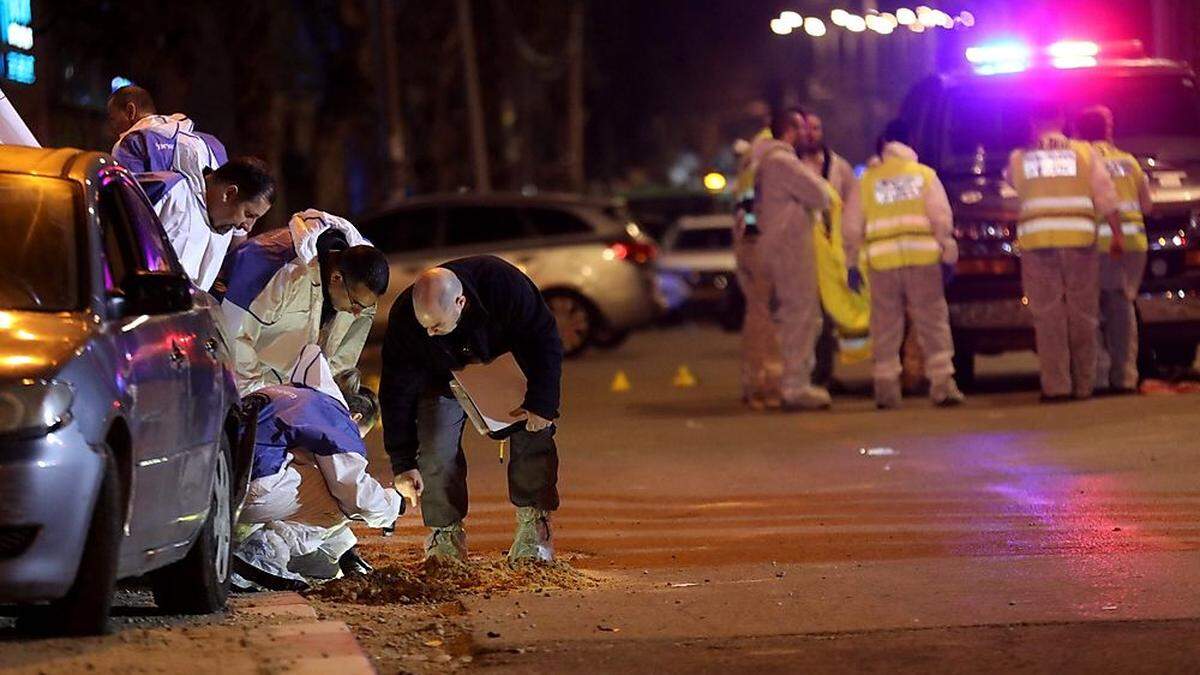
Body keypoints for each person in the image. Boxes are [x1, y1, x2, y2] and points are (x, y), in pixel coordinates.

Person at [381, 256, 562, 562]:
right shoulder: (406, 319)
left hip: (507, 363)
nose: (429, 333)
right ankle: (445, 533)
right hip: (441, 376)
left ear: (460, 302)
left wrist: (542, 403)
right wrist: (402, 462)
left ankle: (534, 525)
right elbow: (396, 391)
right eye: (424, 326)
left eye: (437, 325)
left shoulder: (504, 285)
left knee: (533, 430)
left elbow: (544, 340)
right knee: (435, 446)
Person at [235, 347, 402, 587]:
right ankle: (262, 555)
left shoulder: (295, 394)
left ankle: (290, 555)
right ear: (355, 417)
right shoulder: (337, 420)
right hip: (250, 487)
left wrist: (344, 548)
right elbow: (355, 495)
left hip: (222, 481)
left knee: (316, 476)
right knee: (340, 502)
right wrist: (392, 505)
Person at [1006, 103, 1124, 401]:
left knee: (1048, 316)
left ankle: (1056, 387)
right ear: (1061, 119)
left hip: (1038, 244)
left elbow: (1010, 185)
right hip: (1079, 242)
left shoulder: (1020, 158)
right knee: (1083, 313)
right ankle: (1084, 385)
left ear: (1034, 122)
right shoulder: (1085, 152)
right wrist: (1117, 234)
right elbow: (1106, 195)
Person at [843, 121, 964, 408]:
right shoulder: (923, 176)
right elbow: (941, 218)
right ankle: (942, 385)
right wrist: (948, 254)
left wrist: (851, 263)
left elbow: (850, 227)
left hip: (883, 263)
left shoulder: (868, 181)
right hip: (923, 260)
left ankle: (885, 388)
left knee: (885, 325)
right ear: (911, 140)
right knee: (933, 324)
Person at [219, 210, 388, 396]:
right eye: (355, 304)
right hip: (234, 384)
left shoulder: (359, 287)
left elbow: (340, 363)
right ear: (336, 277)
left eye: (364, 307)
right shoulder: (277, 267)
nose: (356, 313)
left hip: (287, 397)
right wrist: (260, 397)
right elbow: (234, 335)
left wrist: (326, 398)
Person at [751, 107, 833, 410]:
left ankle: (794, 382)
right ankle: (795, 386)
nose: (806, 133)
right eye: (799, 127)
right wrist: (814, 176)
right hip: (790, 246)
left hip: (777, 244)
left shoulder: (765, 161)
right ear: (788, 130)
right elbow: (820, 195)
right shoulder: (783, 162)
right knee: (801, 314)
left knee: (795, 314)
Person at [1074, 106, 1152, 393]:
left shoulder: (1080, 161)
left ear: (1079, 131)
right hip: (1133, 245)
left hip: (1096, 243)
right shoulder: (1129, 162)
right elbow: (1147, 205)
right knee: (1123, 307)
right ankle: (1125, 377)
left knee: (1090, 311)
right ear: (1109, 129)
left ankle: (1096, 376)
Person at [136, 157, 275, 292]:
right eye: (249, 215)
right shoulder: (168, 194)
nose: (247, 227)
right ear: (229, 193)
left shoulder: (224, 225)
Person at [732, 128, 783, 409]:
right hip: (759, 244)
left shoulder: (747, 166)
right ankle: (768, 385)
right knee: (768, 318)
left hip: (746, 245)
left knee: (755, 315)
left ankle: (752, 383)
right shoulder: (767, 164)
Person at [108, 85, 228, 198]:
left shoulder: (131, 145)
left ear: (130, 111)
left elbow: (129, 203)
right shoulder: (212, 143)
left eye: (113, 119)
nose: (112, 128)